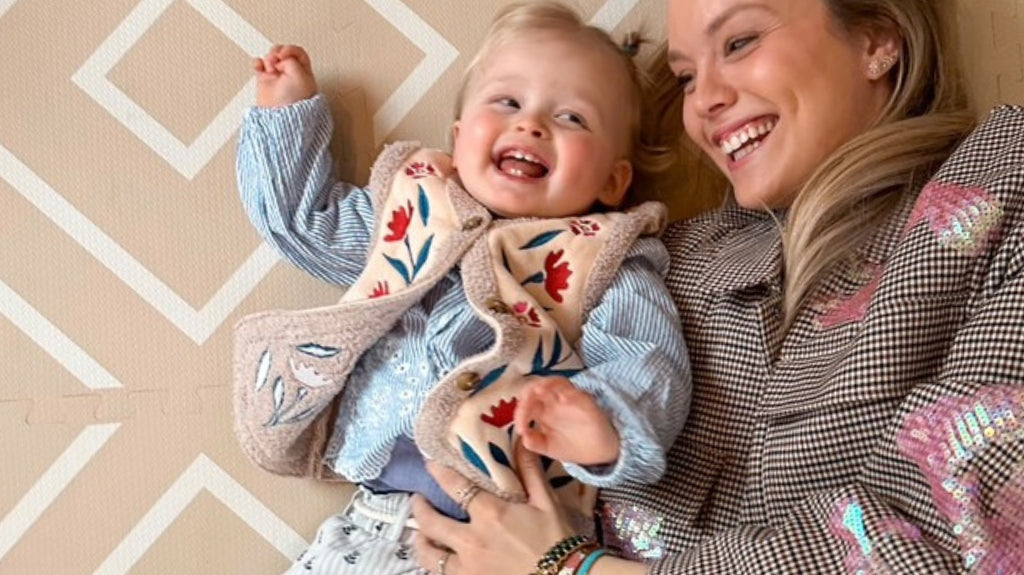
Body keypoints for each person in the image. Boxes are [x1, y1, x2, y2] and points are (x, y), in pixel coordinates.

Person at [410, 0, 1024, 573]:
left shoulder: (1002, 184)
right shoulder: (662, 254)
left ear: (876, 38)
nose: (704, 100)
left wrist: (568, 566)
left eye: (740, 41)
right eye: (684, 77)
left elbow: (959, 530)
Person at [232, 2, 692, 574]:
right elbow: (306, 225)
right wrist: (288, 116)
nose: (531, 125)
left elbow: (647, 361)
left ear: (613, 180)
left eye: (573, 118)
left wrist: (604, 426)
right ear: (458, 137)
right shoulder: (417, 214)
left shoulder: (607, 262)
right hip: (370, 518)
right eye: (507, 102)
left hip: (510, 536)